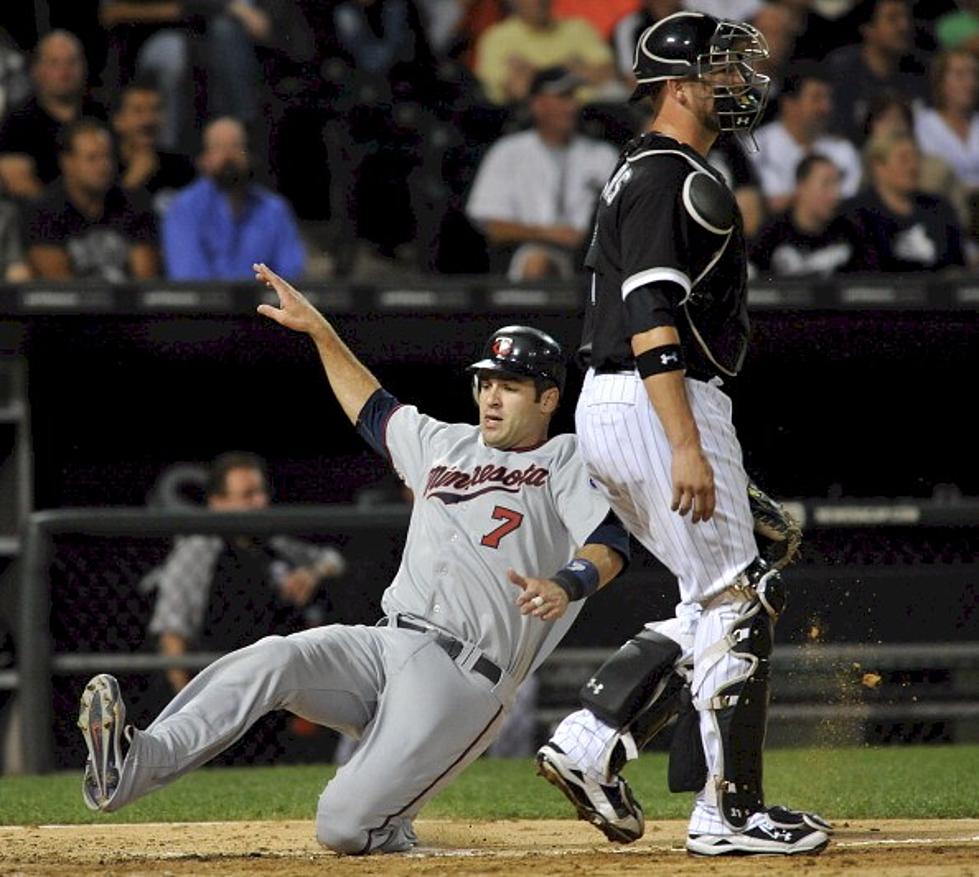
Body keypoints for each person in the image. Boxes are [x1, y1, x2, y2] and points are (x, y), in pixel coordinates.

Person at [77, 266, 631, 855]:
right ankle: (131, 765)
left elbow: (610, 542)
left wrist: (569, 584)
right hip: (385, 644)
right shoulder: (444, 442)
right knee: (274, 657)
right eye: (486, 382)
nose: (491, 396)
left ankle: (391, 829)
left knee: (341, 828)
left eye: (511, 385)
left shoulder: (565, 458)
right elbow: (372, 406)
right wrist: (320, 331)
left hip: (464, 680)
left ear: (548, 398)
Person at [531, 11, 831, 857]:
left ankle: (591, 741)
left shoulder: (642, 170)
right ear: (676, 84)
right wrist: (686, 442)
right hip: (661, 398)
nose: (738, 84)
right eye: (720, 70)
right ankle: (729, 812)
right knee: (739, 591)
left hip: (617, 403)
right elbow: (649, 311)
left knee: (750, 558)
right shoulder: (671, 174)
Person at [146, 451, 346, 695]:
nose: (259, 502)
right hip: (220, 685)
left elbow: (332, 560)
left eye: (261, 492)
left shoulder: (272, 545)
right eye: (247, 495)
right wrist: (186, 704)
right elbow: (173, 634)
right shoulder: (199, 549)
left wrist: (311, 573)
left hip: (278, 685)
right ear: (218, 502)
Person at [466, 66, 618, 279]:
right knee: (537, 261)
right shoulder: (508, 151)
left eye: (573, 97)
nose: (571, 106)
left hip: (593, 253)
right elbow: (493, 227)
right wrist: (551, 234)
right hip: (528, 250)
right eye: (562, 97)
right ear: (537, 104)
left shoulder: (602, 154)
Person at [162, 117, 305, 280]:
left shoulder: (274, 209)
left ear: (250, 156)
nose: (228, 155)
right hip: (207, 305)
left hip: (267, 304)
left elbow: (291, 274)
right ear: (204, 158)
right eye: (218, 147)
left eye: (236, 146)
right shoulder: (183, 208)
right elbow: (190, 280)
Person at [25, 118, 158, 280]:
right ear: (67, 163)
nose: (103, 166)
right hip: (70, 304)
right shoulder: (43, 212)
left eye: (107, 157)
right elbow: (59, 288)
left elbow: (144, 282)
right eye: (92, 159)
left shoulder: (135, 204)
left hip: (126, 303)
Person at [0, 31, 106, 200]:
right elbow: (15, 178)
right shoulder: (17, 123)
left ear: (84, 67)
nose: (64, 71)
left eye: (71, 62)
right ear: (36, 70)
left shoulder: (102, 113)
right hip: (44, 218)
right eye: (54, 63)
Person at [845, 130, 966, 272]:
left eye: (916, 158)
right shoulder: (856, 215)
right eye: (904, 159)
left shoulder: (939, 209)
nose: (913, 167)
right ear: (878, 166)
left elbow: (957, 266)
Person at [750, 63, 862, 214]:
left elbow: (848, 204)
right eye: (816, 98)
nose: (826, 107)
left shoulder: (843, 150)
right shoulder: (757, 145)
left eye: (828, 98)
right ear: (789, 104)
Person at [474, 0, 617, 105]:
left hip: (588, 112)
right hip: (528, 120)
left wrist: (534, 73)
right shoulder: (496, 37)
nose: (540, 2)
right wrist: (572, 68)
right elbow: (517, 90)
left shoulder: (579, 28)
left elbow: (607, 74)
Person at [825, 0, 927, 142]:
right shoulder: (843, 74)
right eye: (892, 18)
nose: (904, 26)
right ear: (868, 28)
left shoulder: (917, 70)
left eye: (906, 18)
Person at [750, 154, 856, 278]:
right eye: (826, 184)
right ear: (801, 187)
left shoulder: (849, 232)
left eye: (837, 184)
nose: (835, 194)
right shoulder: (772, 234)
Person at [111, 78, 195, 218]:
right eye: (138, 111)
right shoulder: (104, 166)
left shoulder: (181, 168)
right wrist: (130, 183)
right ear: (118, 121)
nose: (148, 120)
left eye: (156, 109)